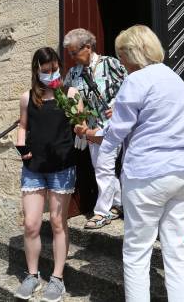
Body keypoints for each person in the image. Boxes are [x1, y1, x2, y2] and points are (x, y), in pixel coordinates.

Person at [98, 25, 184, 302]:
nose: (121, 62)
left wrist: (104, 169)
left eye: (122, 55)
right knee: (177, 249)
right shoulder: (175, 79)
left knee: (137, 251)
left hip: (147, 173)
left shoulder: (136, 80)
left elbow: (117, 133)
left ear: (133, 53)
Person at [13, 47, 79, 302]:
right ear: (36, 70)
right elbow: (23, 126)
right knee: (30, 223)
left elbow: (80, 125)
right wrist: (22, 148)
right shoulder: (27, 98)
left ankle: (58, 278)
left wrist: (85, 126)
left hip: (62, 167)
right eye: (45, 70)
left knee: (58, 222)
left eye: (54, 69)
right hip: (33, 169)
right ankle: (32, 276)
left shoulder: (70, 94)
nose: (51, 74)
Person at [62, 28, 127, 229]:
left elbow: (131, 86)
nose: (72, 57)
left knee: (103, 168)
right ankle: (118, 204)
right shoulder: (73, 73)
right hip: (91, 130)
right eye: (70, 54)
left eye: (74, 52)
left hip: (115, 126)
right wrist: (78, 121)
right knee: (102, 167)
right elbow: (67, 99)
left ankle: (102, 212)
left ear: (88, 47)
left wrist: (117, 105)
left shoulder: (111, 64)